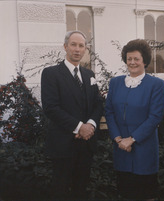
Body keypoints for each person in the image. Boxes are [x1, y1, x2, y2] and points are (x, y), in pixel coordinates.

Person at [41, 31, 103, 199]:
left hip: (86, 144)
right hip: (63, 144)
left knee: (81, 191)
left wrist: (90, 125)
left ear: (85, 49)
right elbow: (50, 108)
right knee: (60, 191)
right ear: (65, 46)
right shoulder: (51, 73)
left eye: (81, 46)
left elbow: (98, 103)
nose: (77, 49)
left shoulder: (89, 75)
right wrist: (78, 127)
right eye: (73, 45)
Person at [105, 39, 164, 200]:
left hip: (144, 149)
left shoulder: (156, 84)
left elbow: (155, 117)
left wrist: (131, 139)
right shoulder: (115, 83)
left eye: (136, 59)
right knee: (125, 193)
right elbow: (109, 112)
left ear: (144, 60)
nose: (132, 62)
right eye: (129, 59)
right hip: (121, 149)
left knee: (146, 194)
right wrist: (118, 139)